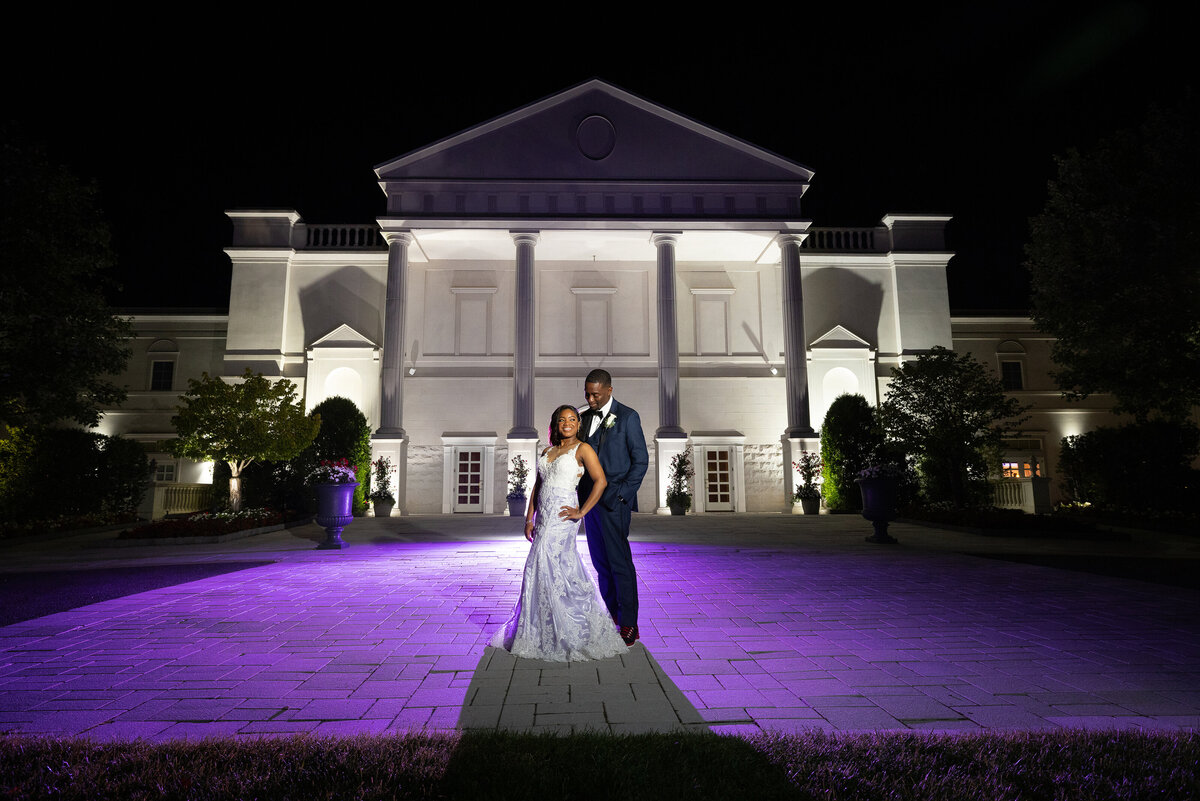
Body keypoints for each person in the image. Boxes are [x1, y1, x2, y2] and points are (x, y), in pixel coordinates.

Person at [492, 404, 628, 661]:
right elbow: (538, 485)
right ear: (555, 424)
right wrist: (529, 518)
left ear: (578, 424)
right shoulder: (547, 451)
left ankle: (571, 628)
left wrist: (582, 511)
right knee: (546, 566)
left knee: (545, 560)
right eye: (562, 419)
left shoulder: (583, 449)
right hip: (543, 516)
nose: (567, 423)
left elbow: (601, 481)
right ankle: (542, 628)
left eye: (572, 419)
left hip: (564, 516)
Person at [577, 369, 649, 645]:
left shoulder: (628, 417)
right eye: (587, 394)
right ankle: (610, 615)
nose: (591, 399)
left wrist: (622, 496)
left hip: (614, 502)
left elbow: (640, 461)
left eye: (595, 394)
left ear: (609, 390)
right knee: (600, 562)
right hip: (589, 503)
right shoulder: (583, 418)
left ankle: (629, 623)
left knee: (620, 563)